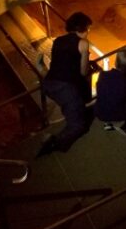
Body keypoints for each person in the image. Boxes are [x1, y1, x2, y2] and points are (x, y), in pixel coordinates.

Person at [37, 11, 94, 156]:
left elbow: (62, 61)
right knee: (79, 125)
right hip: (65, 87)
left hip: (49, 83)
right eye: (88, 28)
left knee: (73, 108)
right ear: (83, 28)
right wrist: (87, 57)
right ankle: (55, 143)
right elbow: (83, 71)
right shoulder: (83, 43)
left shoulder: (58, 40)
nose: (88, 32)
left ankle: (74, 111)